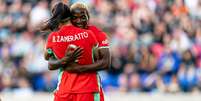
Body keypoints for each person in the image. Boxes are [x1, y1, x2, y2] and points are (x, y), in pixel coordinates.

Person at [42, 2, 105, 101]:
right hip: (88, 88)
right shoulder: (89, 34)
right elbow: (97, 58)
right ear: (70, 16)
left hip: (65, 89)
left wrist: (65, 59)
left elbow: (48, 60)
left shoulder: (53, 37)